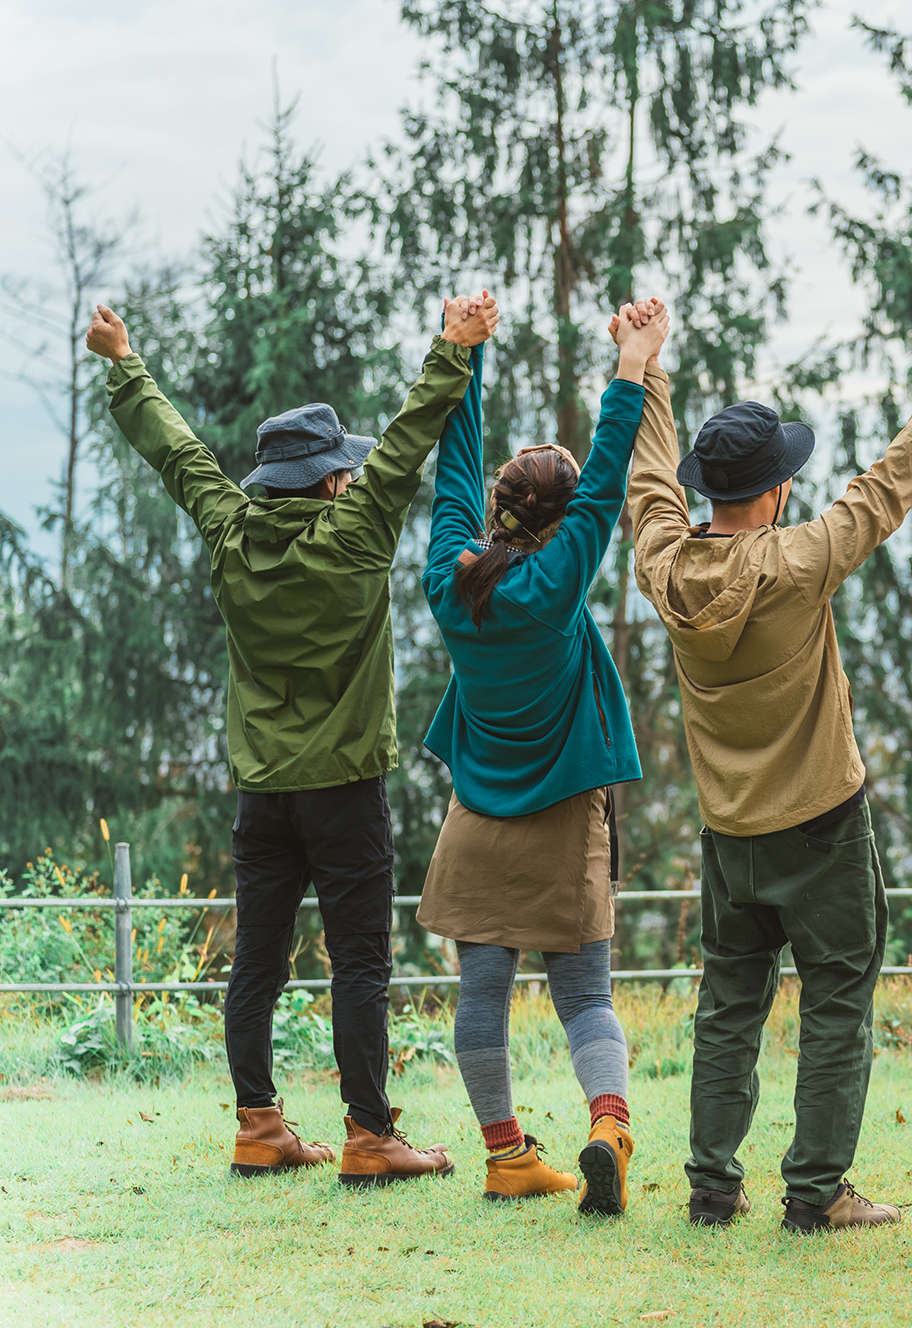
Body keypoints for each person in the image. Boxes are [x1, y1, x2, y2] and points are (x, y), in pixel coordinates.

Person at [87, 293, 498, 1185]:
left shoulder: (232, 532)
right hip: (346, 789)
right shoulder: (353, 537)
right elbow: (404, 444)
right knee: (358, 961)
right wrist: (453, 348)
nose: (354, 480)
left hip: (261, 793)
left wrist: (125, 363)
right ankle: (367, 1134)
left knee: (258, 962)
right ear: (327, 481)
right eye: (342, 473)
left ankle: (260, 1125)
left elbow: (177, 453)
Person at [627, 322, 912, 1234]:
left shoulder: (667, 567)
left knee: (727, 1008)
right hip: (824, 827)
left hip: (728, 833)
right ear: (779, 487)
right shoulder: (799, 561)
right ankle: (818, 1192)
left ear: (711, 492)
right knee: (836, 1003)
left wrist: (644, 370)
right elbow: (887, 488)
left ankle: (712, 1186)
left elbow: (646, 488)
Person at [415, 298, 669, 1211]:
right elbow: (606, 481)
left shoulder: (451, 581)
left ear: (495, 507)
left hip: (478, 817)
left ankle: (507, 1154)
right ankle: (608, 1125)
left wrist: (464, 356)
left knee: (481, 993)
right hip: (564, 817)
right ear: (566, 526)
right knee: (585, 994)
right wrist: (633, 363)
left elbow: (451, 470)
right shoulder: (559, 582)